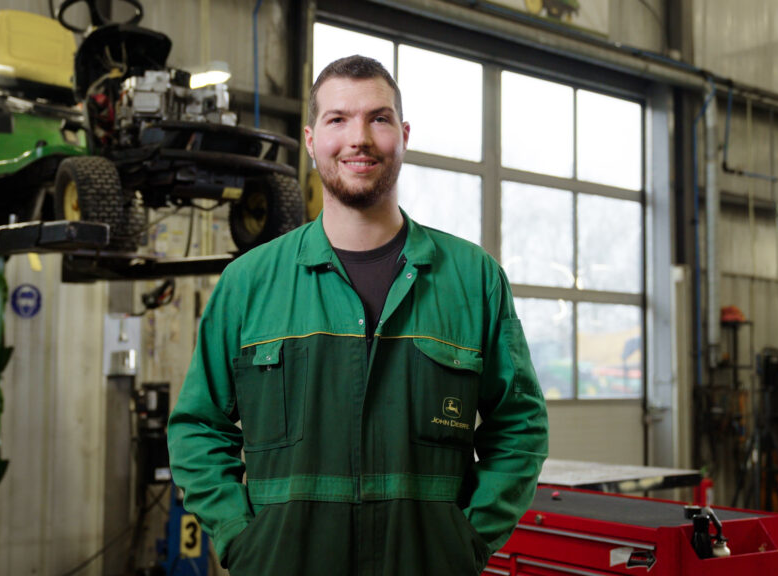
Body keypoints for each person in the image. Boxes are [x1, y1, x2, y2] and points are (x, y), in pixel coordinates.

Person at [167, 55, 548, 576]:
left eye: (379, 118)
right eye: (338, 119)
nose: (359, 138)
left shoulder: (472, 279)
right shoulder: (249, 284)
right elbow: (197, 428)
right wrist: (239, 536)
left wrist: (469, 537)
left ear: (404, 134)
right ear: (310, 139)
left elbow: (519, 426)